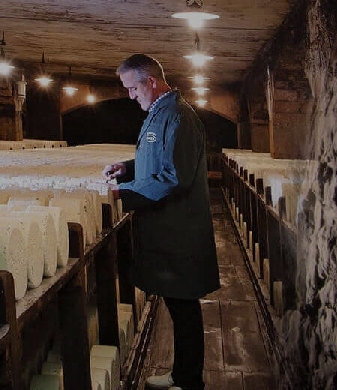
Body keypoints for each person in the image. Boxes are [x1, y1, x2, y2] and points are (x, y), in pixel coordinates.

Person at [103, 54, 220, 390]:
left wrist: (121, 193)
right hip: (168, 229)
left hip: (179, 231)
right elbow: (157, 159)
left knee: (184, 307)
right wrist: (128, 167)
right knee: (179, 304)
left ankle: (188, 381)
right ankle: (182, 373)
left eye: (132, 87)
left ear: (151, 81)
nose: (130, 95)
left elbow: (174, 175)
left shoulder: (179, 116)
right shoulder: (162, 112)